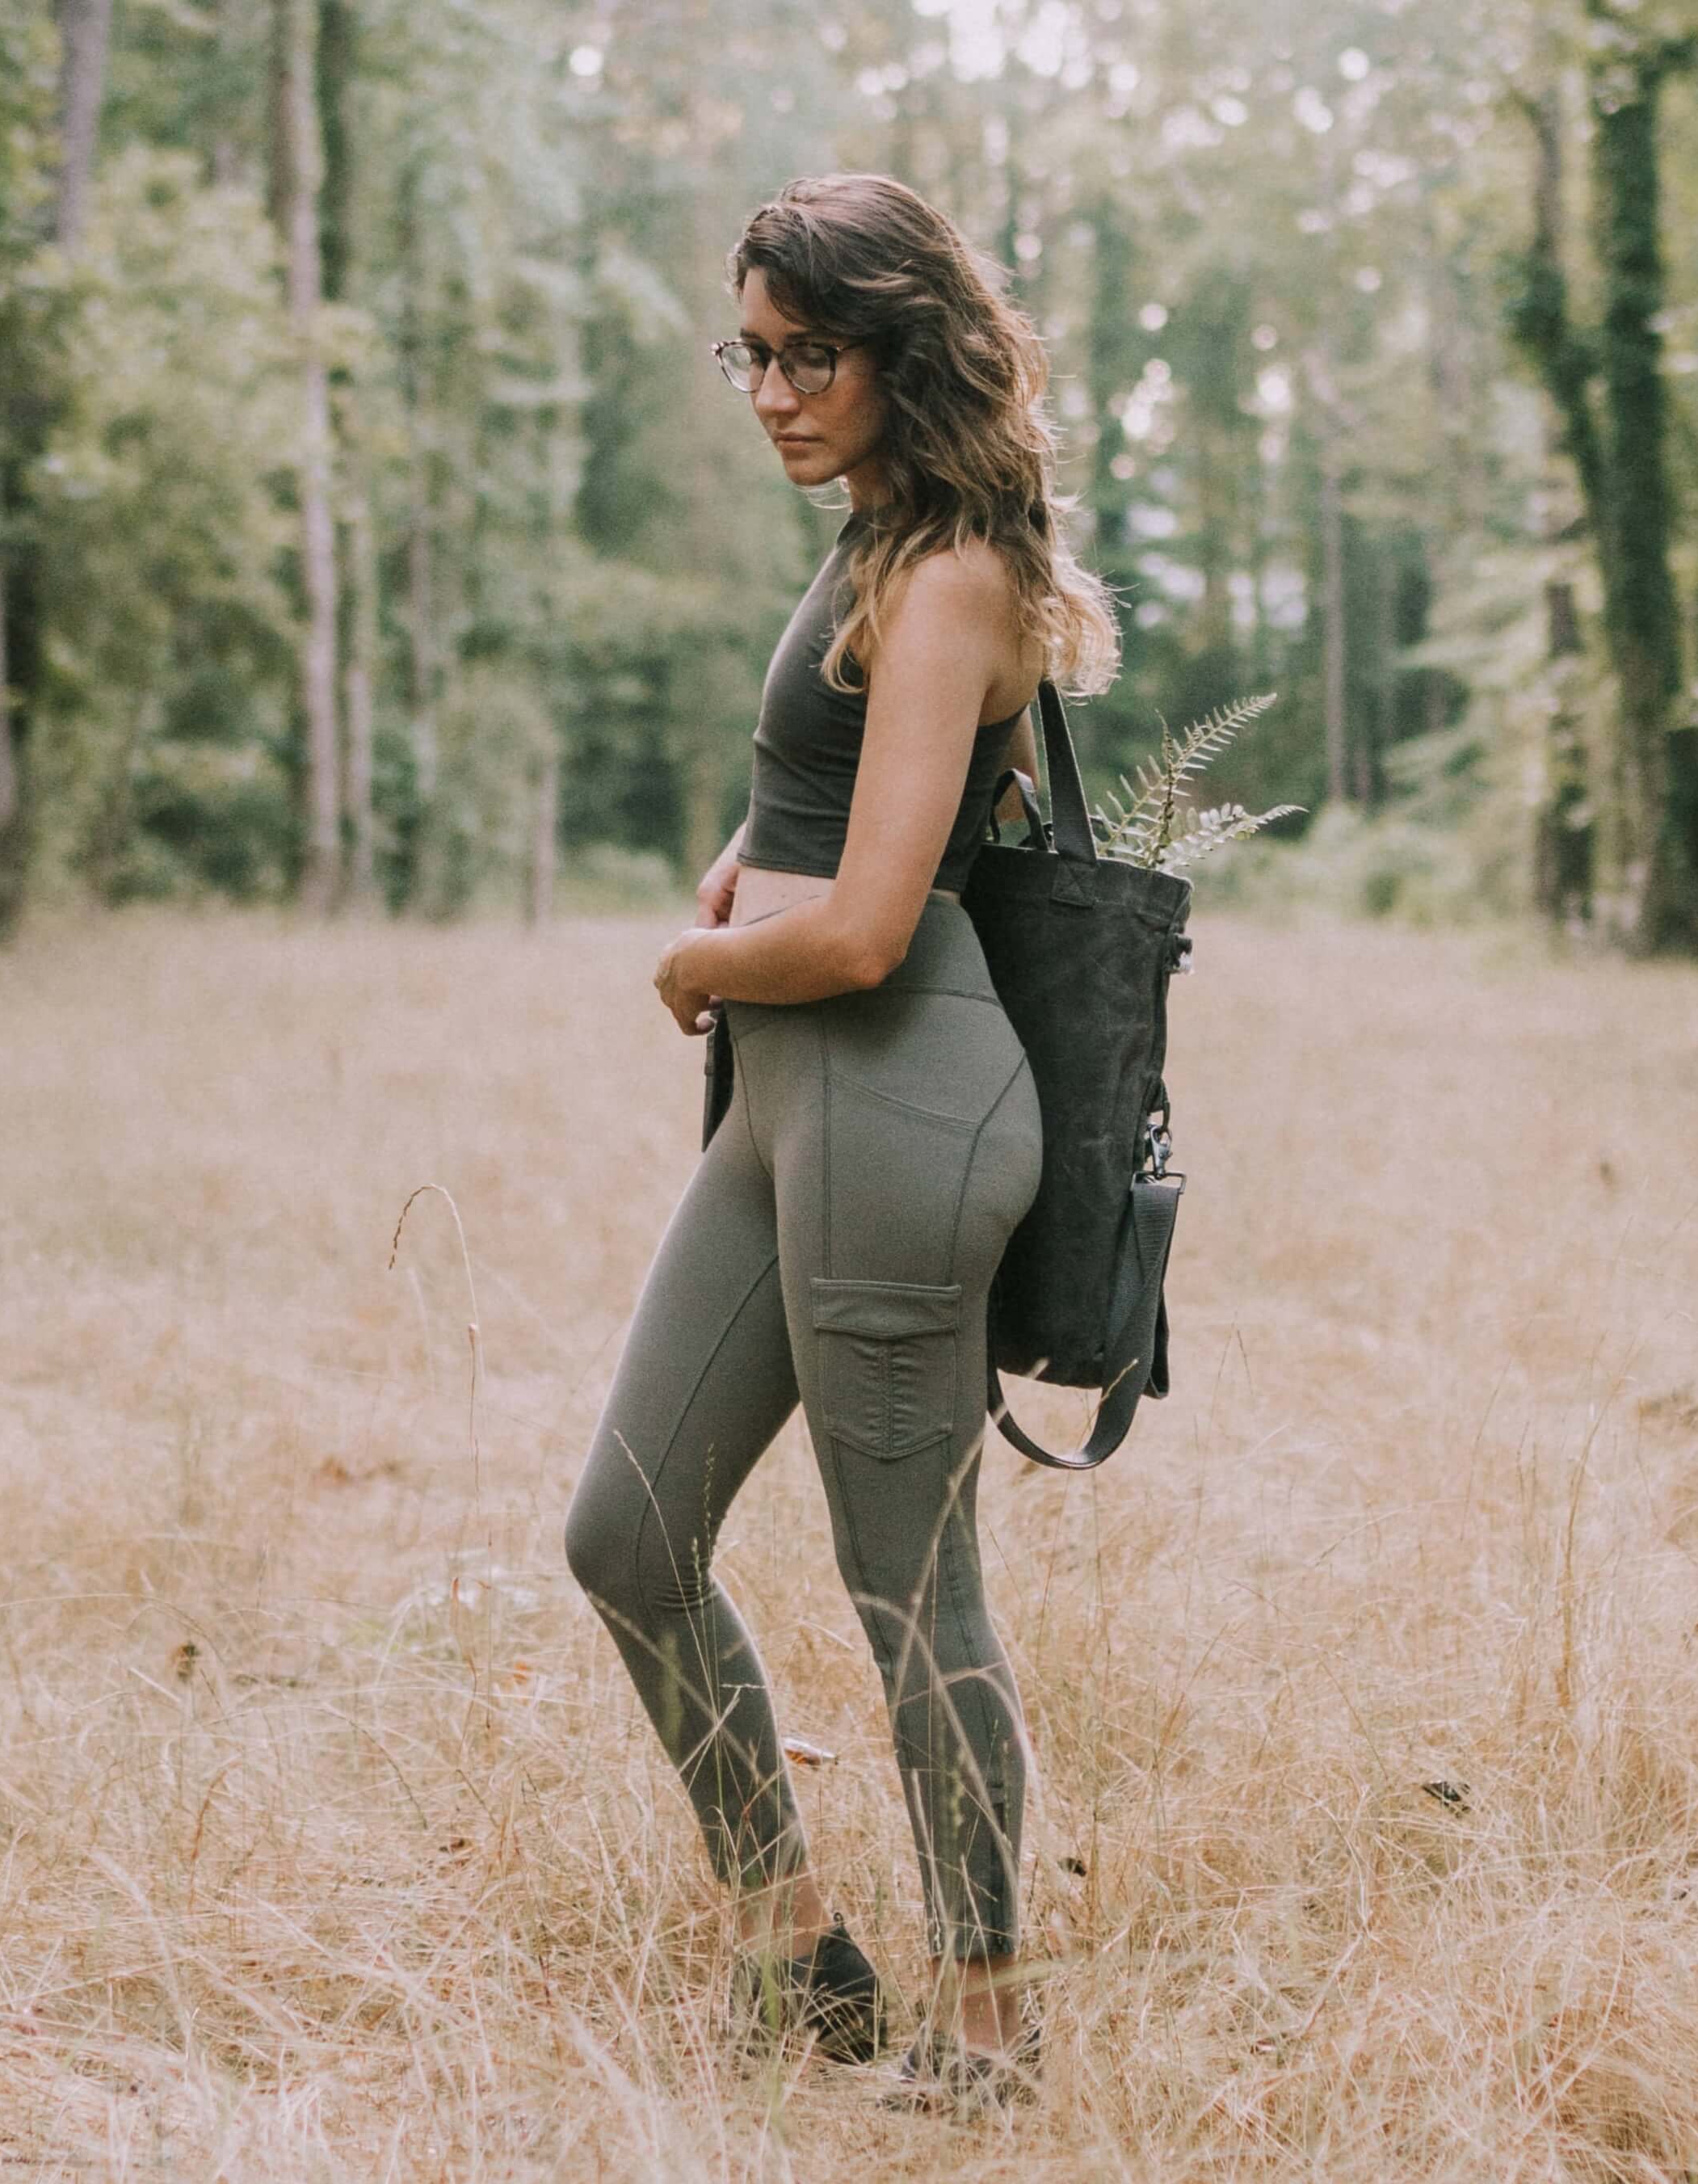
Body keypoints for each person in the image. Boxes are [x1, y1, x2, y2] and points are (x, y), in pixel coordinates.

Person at [562, 171, 1118, 2114]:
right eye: (752, 355)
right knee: (624, 1533)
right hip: (791, 1096)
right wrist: (746, 855)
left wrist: (696, 955)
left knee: (910, 1585)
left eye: (813, 355)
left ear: (905, 345)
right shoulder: (878, 537)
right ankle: (797, 1949)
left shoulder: (955, 569)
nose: (775, 393)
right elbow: (841, 785)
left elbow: (875, 922)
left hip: (893, 1094)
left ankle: (987, 2027)